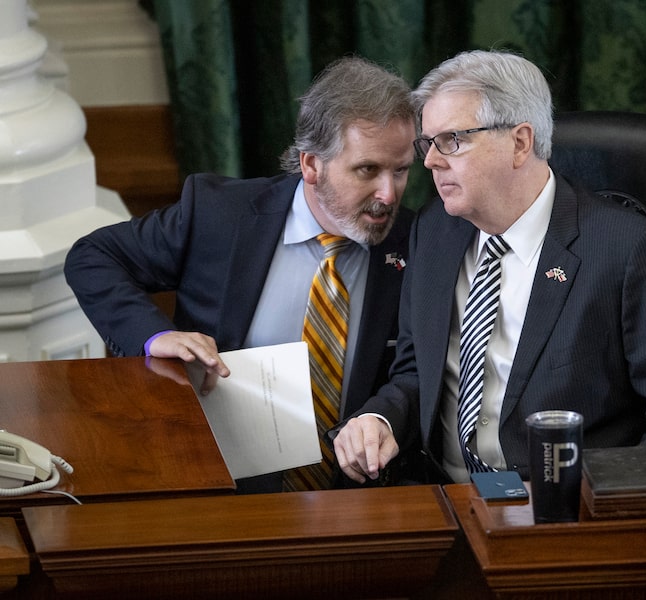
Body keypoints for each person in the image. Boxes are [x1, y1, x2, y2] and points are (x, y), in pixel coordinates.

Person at [332, 49, 646, 486]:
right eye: (428, 144)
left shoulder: (628, 251)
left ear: (520, 143)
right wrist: (380, 419)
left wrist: (603, 501)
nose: (430, 162)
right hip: (439, 499)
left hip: (562, 506)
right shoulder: (434, 231)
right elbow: (415, 373)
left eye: (453, 141)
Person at [64, 56, 417, 493]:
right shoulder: (221, 215)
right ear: (311, 164)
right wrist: (156, 337)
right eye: (368, 170)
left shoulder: (415, 245)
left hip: (353, 502)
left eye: (400, 171)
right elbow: (92, 256)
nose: (388, 193)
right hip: (214, 488)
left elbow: (416, 372)